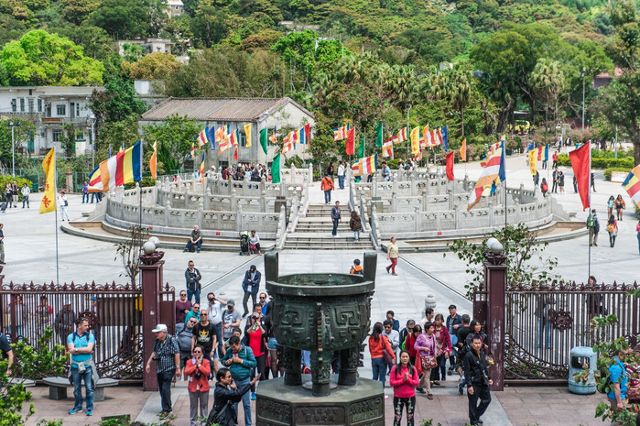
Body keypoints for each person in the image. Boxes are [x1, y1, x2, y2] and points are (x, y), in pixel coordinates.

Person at [145, 324, 180, 418]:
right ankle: (165, 408)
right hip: (160, 368)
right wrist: (148, 363)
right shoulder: (157, 341)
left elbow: (176, 353)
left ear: (163, 332)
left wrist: (177, 368)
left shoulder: (171, 340)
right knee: (161, 390)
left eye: (158, 332)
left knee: (165, 389)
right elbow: (154, 352)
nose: (156, 334)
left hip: (169, 368)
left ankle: (167, 409)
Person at [221, 335, 256, 426]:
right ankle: (233, 422)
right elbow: (223, 361)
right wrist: (226, 362)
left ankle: (248, 424)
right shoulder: (229, 351)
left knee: (246, 404)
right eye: (231, 347)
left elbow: (254, 363)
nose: (233, 349)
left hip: (245, 380)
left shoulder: (247, 350)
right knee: (233, 404)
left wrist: (241, 361)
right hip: (233, 381)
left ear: (239, 344)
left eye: (234, 347)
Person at [67, 318, 96, 416]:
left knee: (89, 388)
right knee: (76, 388)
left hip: (87, 366)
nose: (88, 327)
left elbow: (89, 349)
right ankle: (78, 407)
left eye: (88, 325)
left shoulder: (90, 336)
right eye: (86, 325)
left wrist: (76, 349)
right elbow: (70, 350)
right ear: (79, 326)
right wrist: (84, 350)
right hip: (75, 366)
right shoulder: (71, 336)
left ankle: (89, 408)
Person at [464, 335, 493, 426]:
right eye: (475, 343)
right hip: (474, 382)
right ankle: (473, 421)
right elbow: (467, 372)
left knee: (487, 399)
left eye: (479, 343)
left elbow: (484, 367)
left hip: (483, 381)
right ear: (472, 344)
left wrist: (489, 378)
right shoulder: (468, 355)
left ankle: (476, 415)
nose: (477, 345)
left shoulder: (482, 353)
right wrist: (469, 385)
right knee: (473, 402)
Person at [243, 309, 268, 400]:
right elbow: (247, 333)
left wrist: (259, 325)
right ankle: (253, 392)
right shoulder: (249, 326)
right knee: (252, 374)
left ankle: (263, 391)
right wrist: (253, 324)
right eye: (253, 317)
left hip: (260, 353)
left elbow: (265, 334)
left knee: (261, 372)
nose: (255, 319)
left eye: (256, 317)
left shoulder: (262, 326)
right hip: (251, 354)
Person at [389, 351, 419, 426]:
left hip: (410, 397)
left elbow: (416, 382)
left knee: (410, 418)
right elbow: (392, 382)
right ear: (400, 358)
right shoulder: (395, 368)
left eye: (406, 357)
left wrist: (408, 380)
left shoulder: (413, 368)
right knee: (397, 418)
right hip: (398, 397)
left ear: (409, 358)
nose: (405, 358)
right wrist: (402, 380)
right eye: (403, 356)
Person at [185, 346, 212, 426]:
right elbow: (186, 372)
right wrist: (195, 366)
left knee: (204, 407)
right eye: (195, 351)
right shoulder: (189, 362)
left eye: (198, 352)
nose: (196, 353)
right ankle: (193, 423)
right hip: (192, 388)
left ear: (202, 353)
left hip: (204, 387)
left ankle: (204, 423)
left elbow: (207, 372)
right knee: (193, 407)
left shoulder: (206, 361)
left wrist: (200, 365)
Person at [368, 322, 395, 390]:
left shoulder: (371, 338)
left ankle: (373, 392)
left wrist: (373, 355)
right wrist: (393, 357)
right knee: (382, 377)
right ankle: (381, 392)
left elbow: (370, 349)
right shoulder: (383, 337)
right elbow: (388, 348)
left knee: (375, 376)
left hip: (373, 359)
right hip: (381, 359)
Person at [415, 321, 437, 400]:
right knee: (427, 375)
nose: (433, 329)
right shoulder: (421, 336)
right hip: (423, 358)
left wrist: (435, 354)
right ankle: (429, 392)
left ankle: (419, 385)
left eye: (433, 327)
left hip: (431, 358)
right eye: (431, 328)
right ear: (427, 329)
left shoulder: (433, 336)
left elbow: (434, 346)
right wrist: (423, 348)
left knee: (426, 375)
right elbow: (416, 346)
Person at [431, 314, 452, 385]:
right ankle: (435, 379)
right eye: (436, 320)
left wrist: (449, 350)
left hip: (442, 349)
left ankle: (443, 376)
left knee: (442, 365)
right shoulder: (432, 327)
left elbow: (448, 340)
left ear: (442, 321)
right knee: (435, 365)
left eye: (438, 320)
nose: (437, 321)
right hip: (434, 350)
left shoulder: (444, 329)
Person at [608, 347, 629, 412]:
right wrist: (619, 402)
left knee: (619, 419)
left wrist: (623, 364)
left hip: (619, 396)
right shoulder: (616, 367)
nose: (626, 357)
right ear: (619, 354)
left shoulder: (617, 363)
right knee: (619, 419)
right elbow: (616, 387)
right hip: (617, 398)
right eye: (625, 355)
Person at [446, 305, 462, 375]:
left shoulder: (459, 317)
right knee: (450, 350)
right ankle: (452, 364)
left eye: (452, 309)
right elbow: (447, 326)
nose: (451, 311)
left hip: (456, 336)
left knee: (459, 350)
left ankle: (457, 364)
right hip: (449, 336)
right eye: (450, 310)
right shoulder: (448, 317)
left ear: (455, 310)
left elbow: (464, 324)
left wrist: (458, 325)